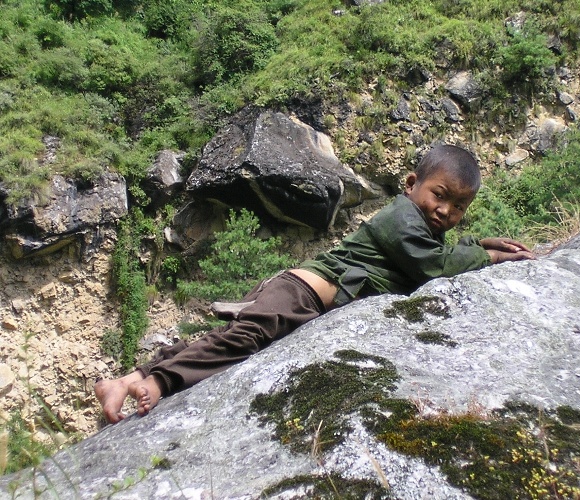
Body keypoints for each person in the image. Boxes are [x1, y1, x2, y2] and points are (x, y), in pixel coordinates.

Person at [95, 144, 534, 423]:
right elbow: (435, 268)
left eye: (459, 207)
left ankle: (129, 377)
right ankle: (160, 382)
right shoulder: (401, 217)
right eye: (440, 195)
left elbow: (439, 255)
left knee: (230, 335)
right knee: (243, 339)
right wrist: (489, 255)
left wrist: (478, 242)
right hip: (302, 291)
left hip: (301, 293)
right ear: (411, 184)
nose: (445, 211)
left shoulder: (420, 227)